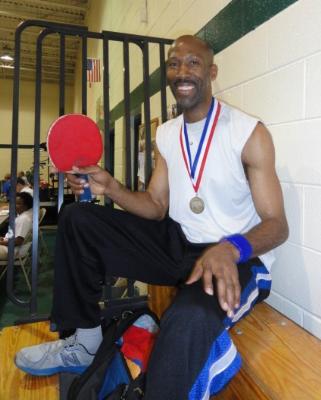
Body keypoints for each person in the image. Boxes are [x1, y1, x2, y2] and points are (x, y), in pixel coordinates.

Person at [15, 35, 288, 399]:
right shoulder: (166, 134)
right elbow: (156, 206)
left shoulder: (249, 133)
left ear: (212, 71)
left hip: (235, 257)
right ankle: (83, 341)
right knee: (79, 219)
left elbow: (277, 224)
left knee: (187, 319)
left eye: (193, 63)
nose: (182, 72)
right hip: (178, 243)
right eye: (174, 64)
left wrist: (232, 248)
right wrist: (111, 186)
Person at [0, 192, 33, 260]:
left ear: (25, 206)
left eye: (18, 204)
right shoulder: (23, 216)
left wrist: (1, 242)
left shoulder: (24, 219)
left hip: (12, 250)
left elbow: (18, 242)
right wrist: (3, 239)